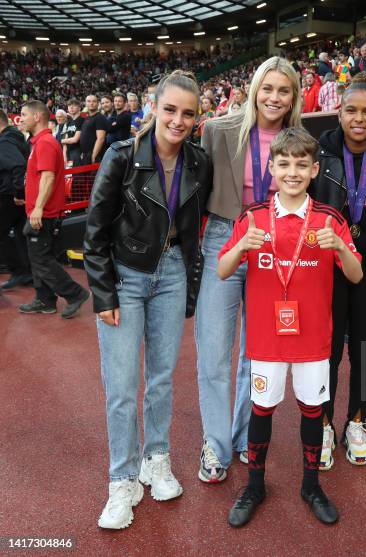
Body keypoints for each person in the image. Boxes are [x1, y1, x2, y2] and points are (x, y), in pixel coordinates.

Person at [83, 70, 213, 530]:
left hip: (173, 274)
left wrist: (191, 289)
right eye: (170, 109)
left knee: (160, 378)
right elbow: (94, 231)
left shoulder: (200, 162)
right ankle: (121, 480)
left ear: (198, 118)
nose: (178, 120)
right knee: (121, 387)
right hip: (125, 277)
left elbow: (195, 234)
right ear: (153, 107)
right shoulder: (121, 157)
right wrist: (102, 293)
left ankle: (155, 459)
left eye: (188, 113)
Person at [222, 127, 363, 528]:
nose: (293, 172)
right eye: (284, 163)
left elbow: (355, 275)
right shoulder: (252, 218)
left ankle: (311, 485)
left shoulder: (329, 219)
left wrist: (339, 247)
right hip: (266, 341)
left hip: (313, 340)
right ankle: (254, 485)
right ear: (271, 167)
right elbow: (220, 269)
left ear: (315, 169)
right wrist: (240, 247)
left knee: (312, 410)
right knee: (261, 408)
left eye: (302, 165)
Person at [196, 56, 303, 484]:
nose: (274, 98)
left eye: (284, 90)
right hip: (225, 236)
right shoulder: (218, 130)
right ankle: (216, 444)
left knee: (256, 351)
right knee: (215, 351)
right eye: (268, 88)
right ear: (254, 89)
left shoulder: (298, 139)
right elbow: (197, 191)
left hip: (274, 243)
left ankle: (243, 435)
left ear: (293, 96)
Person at [309, 73, 366, 470]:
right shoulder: (321, 153)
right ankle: (325, 423)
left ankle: (357, 420)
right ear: (338, 113)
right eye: (351, 110)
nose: (359, 119)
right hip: (329, 265)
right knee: (326, 351)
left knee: (362, 350)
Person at [18, 100, 90, 317]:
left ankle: (75, 293)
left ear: (37, 117)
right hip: (38, 210)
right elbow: (40, 177)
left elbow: (48, 177)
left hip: (44, 213)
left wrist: (38, 207)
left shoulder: (45, 143)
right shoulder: (40, 142)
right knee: (38, 257)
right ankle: (45, 300)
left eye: (23, 114)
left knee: (41, 259)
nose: (20, 118)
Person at [0, 109, 31, 290]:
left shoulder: (4, 141)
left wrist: (18, 193)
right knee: (20, 234)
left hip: (8, 196)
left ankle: (19, 272)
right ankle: (27, 273)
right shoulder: (16, 137)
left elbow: (18, 165)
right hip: (15, 195)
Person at [79, 95, 107, 165]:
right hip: (86, 155)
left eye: (94, 101)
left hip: (95, 155)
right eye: (89, 101)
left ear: (98, 103)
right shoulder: (87, 118)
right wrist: (83, 152)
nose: (91, 103)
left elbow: (101, 138)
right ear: (85, 103)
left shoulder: (100, 118)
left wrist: (94, 155)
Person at [61, 98, 83, 165]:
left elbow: (75, 139)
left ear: (79, 108)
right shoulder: (69, 123)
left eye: (74, 105)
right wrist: (64, 155)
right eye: (69, 105)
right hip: (69, 152)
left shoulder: (82, 120)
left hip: (78, 152)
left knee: (77, 174)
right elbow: (65, 140)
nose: (71, 107)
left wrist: (61, 140)